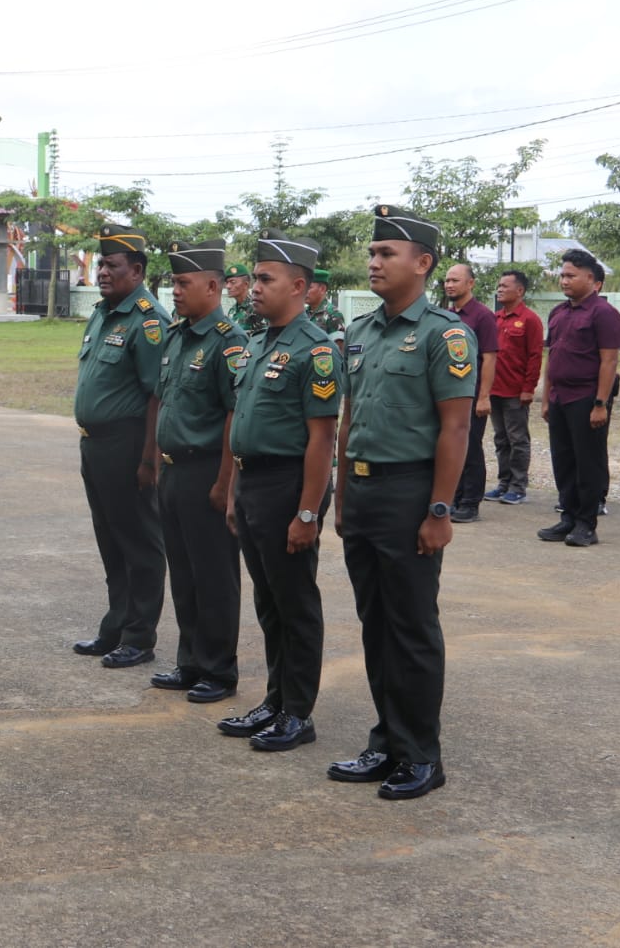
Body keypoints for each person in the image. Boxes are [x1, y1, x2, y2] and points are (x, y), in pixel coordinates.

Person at [329, 205, 473, 801]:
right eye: (373, 252)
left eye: (387, 253)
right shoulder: (359, 332)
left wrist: (440, 511)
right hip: (362, 492)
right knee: (375, 624)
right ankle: (385, 739)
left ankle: (420, 754)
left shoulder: (445, 333)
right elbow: (347, 417)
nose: (374, 262)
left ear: (423, 262)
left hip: (410, 492)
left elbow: (457, 428)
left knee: (411, 627)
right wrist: (338, 494)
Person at [218, 230, 343, 751]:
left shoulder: (314, 351)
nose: (253, 288)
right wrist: (231, 494)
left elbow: (322, 440)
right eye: (254, 279)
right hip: (251, 485)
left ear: (299, 286)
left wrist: (308, 514)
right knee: (268, 601)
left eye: (265, 280)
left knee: (295, 602)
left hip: (288, 486)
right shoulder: (257, 343)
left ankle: (298, 712)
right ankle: (274, 699)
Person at [143, 241, 247, 704]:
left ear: (212, 285)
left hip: (208, 470)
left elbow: (233, 416)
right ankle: (190, 660)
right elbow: (165, 400)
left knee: (213, 575)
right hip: (174, 470)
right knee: (183, 573)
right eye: (173, 283)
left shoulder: (230, 341)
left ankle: (218, 669)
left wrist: (225, 483)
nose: (175, 291)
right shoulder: (176, 335)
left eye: (183, 283)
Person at [71, 225, 167, 669]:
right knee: (110, 540)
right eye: (100, 264)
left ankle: (139, 636)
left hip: (129, 445)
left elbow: (156, 395)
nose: (102, 272)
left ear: (137, 270)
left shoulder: (148, 321)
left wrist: (149, 458)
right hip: (96, 446)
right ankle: (116, 626)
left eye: (112, 265)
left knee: (139, 541)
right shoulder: (103, 313)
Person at [538, 249, 620, 548]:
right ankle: (568, 516)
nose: (564, 280)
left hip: (586, 397)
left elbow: (609, 362)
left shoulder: (605, 314)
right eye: (562, 275)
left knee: (588, 461)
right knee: (563, 459)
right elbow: (553, 357)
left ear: (593, 280)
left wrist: (600, 403)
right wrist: (546, 398)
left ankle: (587, 523)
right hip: (560, 395)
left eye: (571, 275)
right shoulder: (559, 313)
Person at [442, 263, 498, 523]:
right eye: (446, 280)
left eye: (455, 280)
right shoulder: (446, 315)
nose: (449, 285)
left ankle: (470, 502)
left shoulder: (483, 316)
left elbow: (489, 358)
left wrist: (484, 396)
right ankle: (453, 496)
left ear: (470, 283)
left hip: (472, 393)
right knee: (450, 445)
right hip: (448, 394)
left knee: (471, 447)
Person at [484, 269, 543, 505]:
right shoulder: (495, 318)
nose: (499, 289)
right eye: (499, 285)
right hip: (494, 390)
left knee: (518, 439)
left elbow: (535, 356)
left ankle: (518, 486)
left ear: (520, 291)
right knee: (500, 439)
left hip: (516, 391)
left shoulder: (530, 320)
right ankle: (503, 483)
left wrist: (528, 388)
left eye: (505, 286)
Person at [224, 263, 266, 334]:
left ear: (245, 284)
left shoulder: (256, 308)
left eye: (232, 282)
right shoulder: (232, 310)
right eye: (227, 282)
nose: (228, 286)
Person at [304, 267, 346, 338]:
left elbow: (339, 347)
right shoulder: (304, 313)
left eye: (309, 287)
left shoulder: (333, 314)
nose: (304, 291)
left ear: (322, 289)